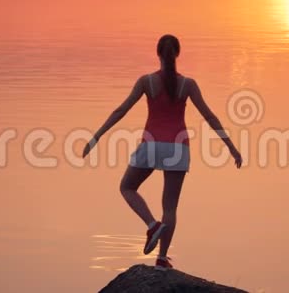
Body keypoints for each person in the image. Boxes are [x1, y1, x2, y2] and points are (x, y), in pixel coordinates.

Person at [82, 34, 242, 270]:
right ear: (177, 54)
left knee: (127, 187)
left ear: (158, 54)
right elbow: (209, 116)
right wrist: (231, 147)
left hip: (151, 146)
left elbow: (121, 110)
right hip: (178, 148)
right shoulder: (188, 84)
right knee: (170, 208)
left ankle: (152, 225)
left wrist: (96, 136)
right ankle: (161, 259)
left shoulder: (146, 81)